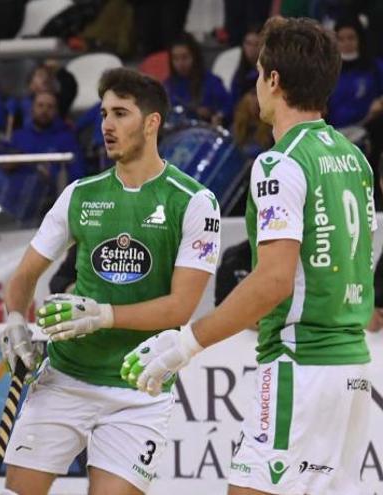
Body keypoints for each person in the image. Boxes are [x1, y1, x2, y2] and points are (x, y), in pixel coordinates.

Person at [123, 17, 376, 495]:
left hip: (301, 364)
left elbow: (274, 280)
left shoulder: (279, 163)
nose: (257, 84)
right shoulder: (354, 156)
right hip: (352, 370)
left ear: (274, 80)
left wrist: (185, 344)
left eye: (260, 73)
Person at [0, 67, 221, 494]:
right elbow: (26, 273)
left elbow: (180, 308)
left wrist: (101, 315)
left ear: (152, 122)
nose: (107, 125)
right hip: (65, 378)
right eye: (103, 114)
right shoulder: (80, 193)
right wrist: (13, 319)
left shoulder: (194, 201)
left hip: (139, 388)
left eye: (120, 113)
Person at [8, 91, 87, 189]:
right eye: (40, 105)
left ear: (56, 111)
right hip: (17, 195)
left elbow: (78, 177)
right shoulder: (18, 136)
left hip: (52, 197)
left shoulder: (68, 139)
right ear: (32, 109)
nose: (44, 110)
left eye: (50, 107)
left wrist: (52, 176)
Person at [327, 17, 383, 130]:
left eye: (351, 38)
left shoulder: (375, 67)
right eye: (341, 39)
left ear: (360, 39)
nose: (346, 43)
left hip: (369, 130)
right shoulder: (328, 70)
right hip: (335, 133)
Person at [165, 33, 232, 125]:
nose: (180, 64)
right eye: (175, 58)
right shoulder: (168, 85)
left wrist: (218, 115)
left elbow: (228, 106)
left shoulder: (211, 82)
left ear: (195, 57)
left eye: (185, 57)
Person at [231, 25, 262, 107]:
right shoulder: (240, 74)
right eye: (248, 43)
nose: (251, 48)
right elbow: (234, 102)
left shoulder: (270, 73)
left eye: (256, 44)